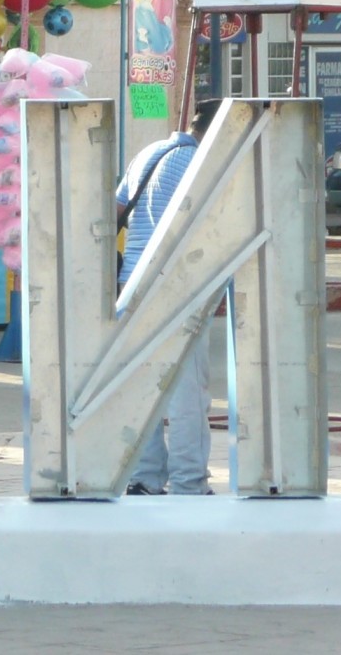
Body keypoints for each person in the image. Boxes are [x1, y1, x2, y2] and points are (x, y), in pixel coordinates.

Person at [114, 97, 225, 496]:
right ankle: (189, 482)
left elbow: (115, 209)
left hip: (131, 287)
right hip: (176, 290)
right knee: (186, 390)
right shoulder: (200, 163)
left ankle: (143, 477)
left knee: (143, 387)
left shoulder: (149, 153)